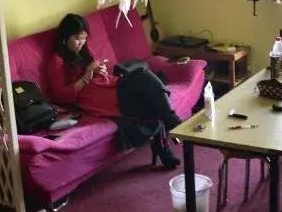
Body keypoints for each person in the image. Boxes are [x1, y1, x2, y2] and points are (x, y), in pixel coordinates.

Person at [47, 13, 182, 168]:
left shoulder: (84, 51)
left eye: (84, 38)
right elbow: (60, 96)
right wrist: (87, 75)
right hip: (97, 98)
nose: (81, 43)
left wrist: (101, 70)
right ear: (65, 37)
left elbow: (98, 71)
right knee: (144, 81)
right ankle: (169, 133)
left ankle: (166, 135)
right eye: (77, 38)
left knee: (145, 81)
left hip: (111, 85)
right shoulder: (57, 61)